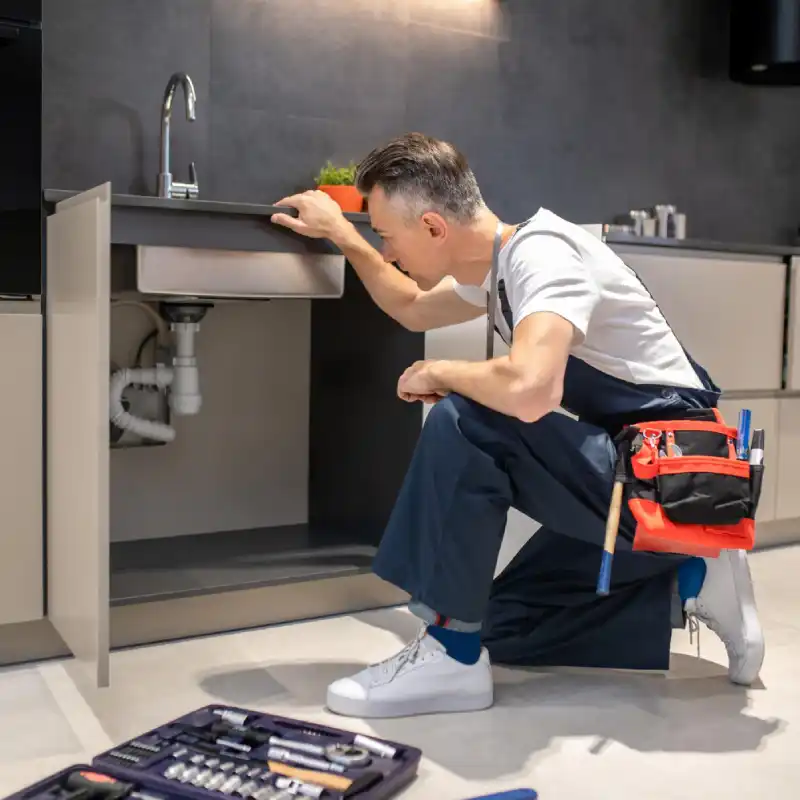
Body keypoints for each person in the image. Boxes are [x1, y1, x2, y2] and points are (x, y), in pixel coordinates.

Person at [270, 132, 765, 719]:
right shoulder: (500, 270)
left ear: (432, 227)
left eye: (388, 235)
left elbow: (532, 391)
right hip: (631, 468)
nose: (390, 248)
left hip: (674, 471)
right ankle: (690, 575)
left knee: (467, 421)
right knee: (503, 623)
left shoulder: (545, 255)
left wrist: (442, 371)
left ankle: (448, 656)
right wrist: (343, 234)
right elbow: (409, 304)